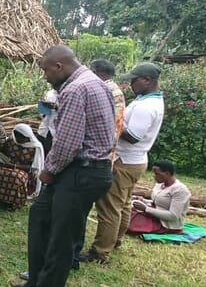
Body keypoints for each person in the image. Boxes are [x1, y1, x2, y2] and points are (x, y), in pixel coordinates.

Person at [17, 45, 115, 287]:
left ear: (59, 66)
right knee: (40, 216)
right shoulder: (94, 82)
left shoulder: (75, 89)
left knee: (60, 240)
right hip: (83, 170)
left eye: (46, 70)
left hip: (82, 171)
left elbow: (67, 144)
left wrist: (49, 170)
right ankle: (35, 281)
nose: (45, 76)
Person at [80, 62, 165, 263]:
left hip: (125, 160)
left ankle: (100, 251)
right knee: (124, 204)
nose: (131, 84)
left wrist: (113, 121)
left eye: (134, 80)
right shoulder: (148, 100)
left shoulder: (147, 107)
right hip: (135, 160)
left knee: (109, 206)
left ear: (147, 80)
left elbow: (133, 135)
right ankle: (115, 240)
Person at [73, 59, 126, 267]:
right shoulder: (115, 92)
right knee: (90, 209)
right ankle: (85, 249)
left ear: (95, 72)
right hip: (106, 158)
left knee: (89, 209)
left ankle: (94, 251)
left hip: (96, 160)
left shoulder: (103, 91)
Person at [0, 124, 44, 209]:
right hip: (7, 165)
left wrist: (14, 166)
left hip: (24, 170)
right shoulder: (11, 141)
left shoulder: (35, 147)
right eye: (16, 137)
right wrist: (1, 160)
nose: (18, 140)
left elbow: (33, 167)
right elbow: (3, 152)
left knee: (16, 177)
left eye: (21, 138)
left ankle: (12, 202)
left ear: (27, 137)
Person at [129, 160, 191, 234]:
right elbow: (159, 203)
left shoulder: (180, 190)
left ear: (167, 173)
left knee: (129, 223)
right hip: (153, 215)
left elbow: (173, 216)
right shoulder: (159, 185)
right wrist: (144, 201)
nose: (154, 176)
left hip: (165, 224)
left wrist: (146, 209)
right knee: (126, 213)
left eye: (157, 174)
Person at [36, 89, 58, 156]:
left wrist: (56, 107)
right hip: (43, 131)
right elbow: (42, 114)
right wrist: (43, 107)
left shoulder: (67, 94)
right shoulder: (49, 93)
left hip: (55, 132)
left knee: (50, 155)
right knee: (40, 155)